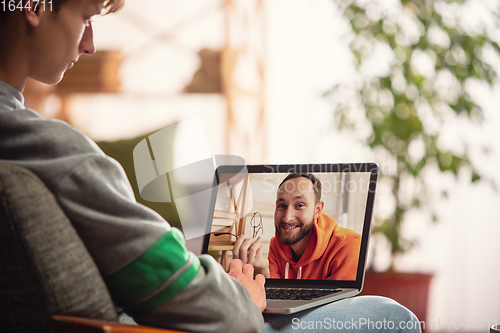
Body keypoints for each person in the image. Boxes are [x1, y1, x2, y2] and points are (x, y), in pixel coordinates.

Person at [0, 1, 421, 332]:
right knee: (389, 315)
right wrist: (239, 296)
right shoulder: (58, 151)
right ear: (35, 6)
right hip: (165, 325)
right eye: (87, 17)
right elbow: (181, 285)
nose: (89, 43)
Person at [234, 173, 361, 280]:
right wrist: (261, 272)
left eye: (300, 205)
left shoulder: (349, 245)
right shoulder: (276, 245)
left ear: (317, 210)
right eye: (282, 206)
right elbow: (274, 300)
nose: (287, 218)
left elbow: (336, 309)